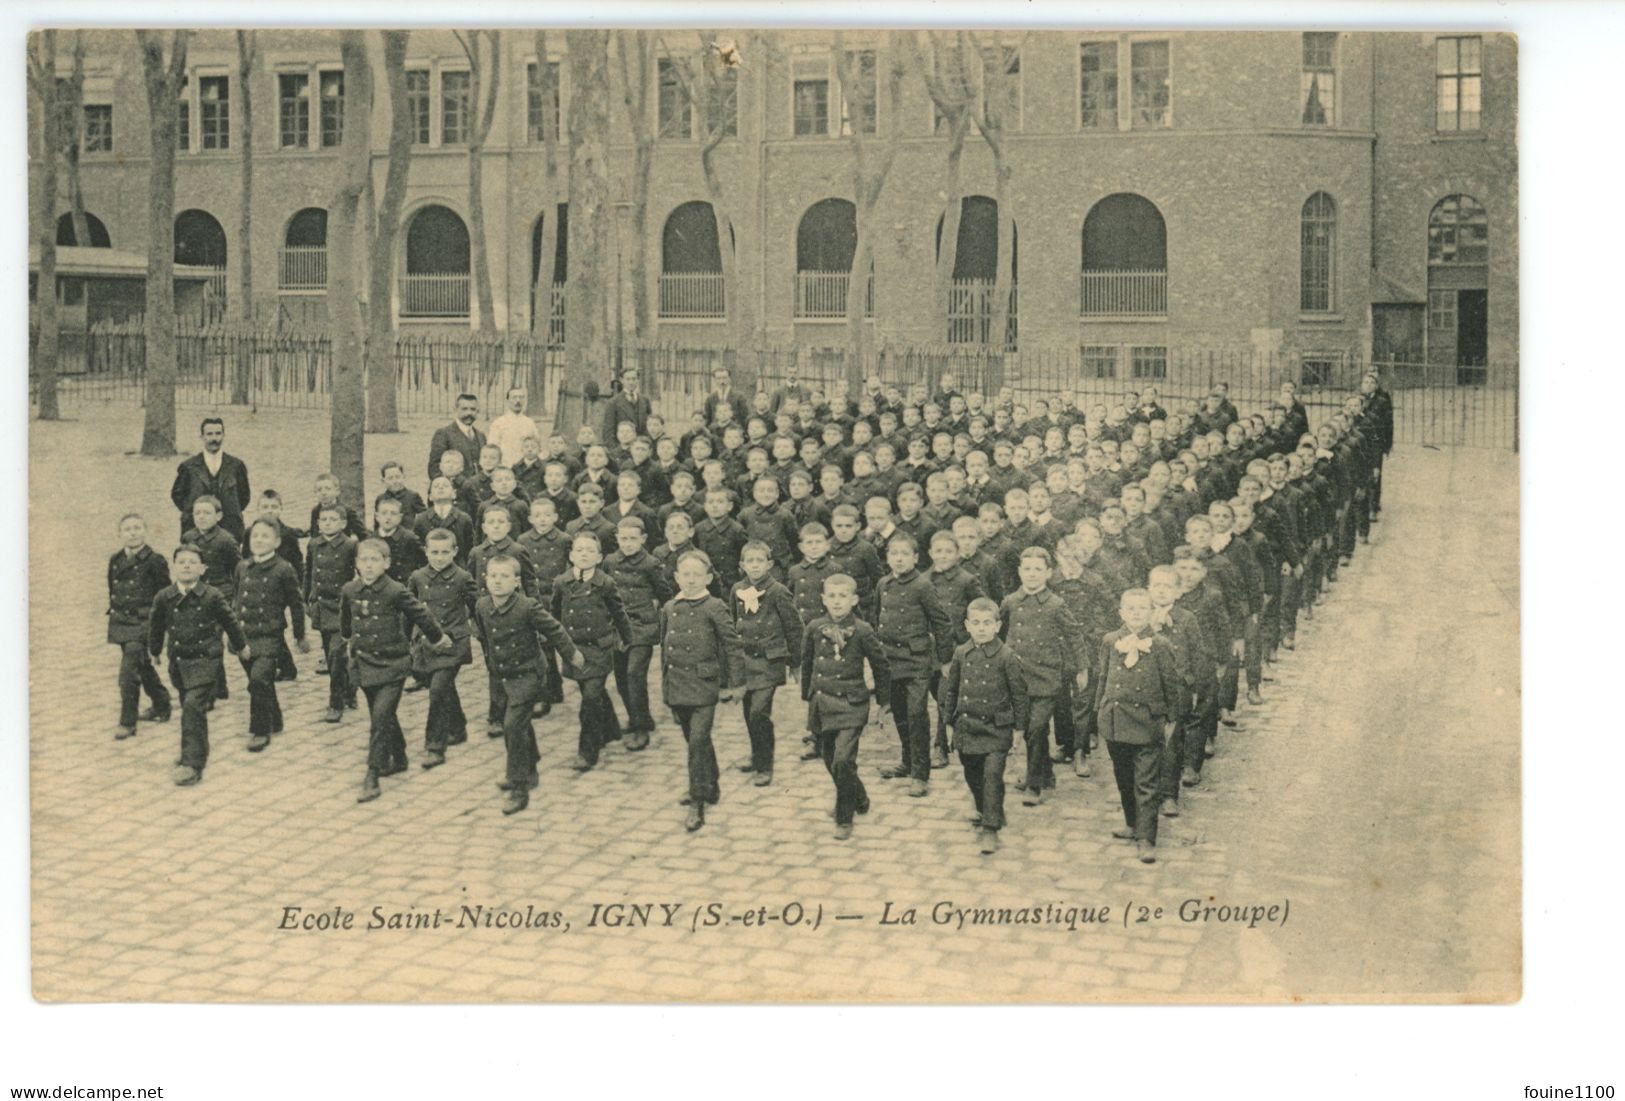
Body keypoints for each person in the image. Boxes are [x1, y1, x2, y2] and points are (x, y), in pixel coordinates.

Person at [342, 539, 451, 803]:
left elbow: (420, 614)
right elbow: (346, 622)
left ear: (386, 563)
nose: (368, 566)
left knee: (380, 718)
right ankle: (399, 756)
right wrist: (348, 644)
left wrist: (438, 638)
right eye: (363, 560)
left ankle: (372, 774)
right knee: (384, 715)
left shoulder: (395, 590)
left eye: (374, 560)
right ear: (356, 564)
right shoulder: (349, 590)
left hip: (393, 665)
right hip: (365, 663)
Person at [473, 554, 582, 815]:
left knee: (512, 724)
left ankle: (519, 786)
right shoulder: (481, 606)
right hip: (503, 675)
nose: (498, 582)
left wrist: (573, 654)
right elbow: (486, 639)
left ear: (517, 581)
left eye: (505, 576)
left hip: (529, 674)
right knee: (519, 723)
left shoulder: (527, 606)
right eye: (493, 576)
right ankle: (530, 765)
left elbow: (554, 630)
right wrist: (492, 667)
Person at [656, 550, 745, 831]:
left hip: (704, 686)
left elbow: (732, 646)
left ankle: (697, 801)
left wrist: (737, 683)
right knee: (696, 741)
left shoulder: (714, 607)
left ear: (707, 578)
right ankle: (711, 784)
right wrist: (666, 691)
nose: (691, 580)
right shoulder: (669, 608)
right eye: (686, 575)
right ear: (676, 577)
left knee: (697, 742)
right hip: (678, 687)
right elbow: (664, 654)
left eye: (697, 575)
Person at [1094, 588, 1185, 864]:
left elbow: (1171, 685)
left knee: (1146, 782)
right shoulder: (1110, 641)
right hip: (1116, 720)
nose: (1136, 613)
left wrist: (1171, 719)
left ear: (1151, 613)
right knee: (1124, 778)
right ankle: (1131, 824)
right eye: (1130, 608)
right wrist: (1099, 710)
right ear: (1121, 612)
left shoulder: (1161, 645)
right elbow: (1103, 676)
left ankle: (1147, 838)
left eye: (1142, 608)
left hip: (1147, 722)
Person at [147, 544, 248, 787]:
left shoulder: (212, 595)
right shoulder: (164, 596)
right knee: (190, 708)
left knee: (192, 705)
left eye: (193, 562)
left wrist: (241, 645)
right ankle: (192, 751)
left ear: (202, 569)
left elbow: (230, 622)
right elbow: (156, 625)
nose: (187, 566)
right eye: (181, 562)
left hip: (206, 659)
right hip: (179, 661)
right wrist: (155, 650)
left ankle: (192, 764)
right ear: (173, 567)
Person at [800, 573, 890, 840]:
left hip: (852, 703)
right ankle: (859, 796)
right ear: (824, 599)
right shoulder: (815, 627)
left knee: (843, 759)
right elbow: (808, 663)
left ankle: (844, 816)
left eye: (843, 596)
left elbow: (881, 666)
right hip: (823, 702)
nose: (837, 602)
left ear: (854, 600)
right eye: (832, 596)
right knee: (830, 759)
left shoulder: (862, 630)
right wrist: (808, 695)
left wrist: (884, 702)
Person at [941, 597, 1030, 855]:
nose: (981, 628)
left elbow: (1019, 695)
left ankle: (990, 828)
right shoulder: (961, 653)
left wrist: (1019, 729)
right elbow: (952, 690)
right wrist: (948, 723)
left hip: (996, 728)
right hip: (967, 727)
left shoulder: (1007, 656)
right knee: (972, 773)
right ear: (967, 625)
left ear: (998, 625)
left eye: (987, 623)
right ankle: (987, 808)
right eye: (976, 623)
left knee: (992, 775)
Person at [874, 533, 954, 798]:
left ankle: (921, 774)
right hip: (890, 661)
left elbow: (941, 623)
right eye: (894, 553)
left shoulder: (923, 585)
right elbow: (877, 619)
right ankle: (907, 762)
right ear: (887, 558)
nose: (898, 559)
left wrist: (944, 660)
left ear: (916, 558)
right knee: (898, 712)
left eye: (905, 554)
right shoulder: (883, 584)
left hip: (917, 661)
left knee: (917, 714)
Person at [1000, 546, 1077, 807]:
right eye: (1027, 569)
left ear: (1048, 573)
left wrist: (1082, 669)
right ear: (1020, 572)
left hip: (1046, 678)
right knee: (1035, 730)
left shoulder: (1056, 604)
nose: (1032, 575)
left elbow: (1074, 635)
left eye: (1038, 570)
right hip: (1019, 679)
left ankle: (1034, 783)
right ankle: (1046, 773)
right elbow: (1000, 636)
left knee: (1035, 728)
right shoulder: (1010, 602)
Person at [552, 532, 633, 771]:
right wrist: (557, 642)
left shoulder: (605, 583)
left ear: (598, 558)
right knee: (590, 691)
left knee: (589, 697)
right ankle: (610, 729)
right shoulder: (561, 583)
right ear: (571, 555)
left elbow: (619, 613)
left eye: (590, 551)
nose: (584, 555)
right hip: (573, 648)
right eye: (579, 550)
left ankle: (587, 752)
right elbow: (554, 614)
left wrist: (627, 639)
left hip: (599, 648)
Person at [730, 541, 803, 787]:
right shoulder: (737, 589)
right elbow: (732, 624)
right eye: (749, 561)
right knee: (749, 712)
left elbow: (793, 627)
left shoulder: (778, 591)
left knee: (759, 712)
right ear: (742, 565)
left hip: (769, 661)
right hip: (745, 660)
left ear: (769, 564)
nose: (755, 565)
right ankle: (755, 755)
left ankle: (766, 765)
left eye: (759, 561)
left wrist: (795, 662)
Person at [233, 519, 309, 752]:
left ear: (276, 541)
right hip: (246, 637)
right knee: (259, 682)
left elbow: (296, 605)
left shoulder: (283, 569)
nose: (259, 540)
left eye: (265, 536)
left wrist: (299, 635)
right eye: (255, 536)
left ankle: (260, 730)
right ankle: (275, 718)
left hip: (269, 637)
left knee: (258, 680)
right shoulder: (242, 567)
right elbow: (236, 602)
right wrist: (233, 635)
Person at [408, 529, 479, 770]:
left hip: (453, 644)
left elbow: (477, 607)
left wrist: (482, 633)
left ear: (455, 552)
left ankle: (435, 747)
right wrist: (407, 641)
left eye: (445, 552)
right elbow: (410, 610)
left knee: (438, 689)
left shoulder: (462, 577)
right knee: (442, 685)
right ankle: (457, 728)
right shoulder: (417, 577)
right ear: (426, 552)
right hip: (426, 643)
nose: (439, 557)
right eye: (434, 552)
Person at [603, 516, 671, 751]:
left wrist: (665, 619)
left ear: (643, 539)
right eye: (624, 538)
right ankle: (636, 717)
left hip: (642, 627)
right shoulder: (610, 561)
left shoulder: (651, 564)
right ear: (617, 539)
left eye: (633, 538)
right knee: (621, 677)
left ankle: (642, 729)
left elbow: (664, 594)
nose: (628, 543)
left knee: (634, 675)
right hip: (617, 627)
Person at [107, 513, 173, 740]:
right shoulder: (115, 560)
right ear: (120, 534)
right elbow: (112, 590)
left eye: (137, 528)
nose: (133, 532)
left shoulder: (155, 561)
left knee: (128, 673)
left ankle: (127, 721)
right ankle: (162, 704)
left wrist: (162, 629)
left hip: (144, 623)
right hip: (122, 622)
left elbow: (166, 595)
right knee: (142, 666)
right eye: (127, 529)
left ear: (145, 531)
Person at [926, 529, 984, 770]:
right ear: (930, 553)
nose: (943, 556)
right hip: (928, 648)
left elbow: (981, 607)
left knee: (943, 696)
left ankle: (941, 746)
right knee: (934, 692)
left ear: (958, 553)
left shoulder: (966, 580)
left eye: (949, 551)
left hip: (956, 647)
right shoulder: (923, 579)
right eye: (938, 551)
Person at [182, 496, 243, 703]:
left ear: (219, 516)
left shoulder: (226, 540)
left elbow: (238, 571)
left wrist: (235, 599)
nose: (201, 517)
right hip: (197, 595)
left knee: (211, 641)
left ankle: (208, 692)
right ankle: (219, 687)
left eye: (207, 513)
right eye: (197, 513)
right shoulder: (188, 537)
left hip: (220, 595)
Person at [305, 503, 358, 721]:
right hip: (321, 605)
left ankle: (335, 703)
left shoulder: (350, 545)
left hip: (341, 606)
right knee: (330, 654)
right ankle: (349, 688)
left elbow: (359, 573)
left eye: (333, 520)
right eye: (323, 520)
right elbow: (308, 572)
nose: (327, 524)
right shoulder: (313, 544)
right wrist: (307, 597)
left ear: (343, 523)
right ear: (318, 524)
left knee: (337, 654)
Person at [171, 417, 251, 540]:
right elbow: (177, 496)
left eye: (218, 434)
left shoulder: (236, 465)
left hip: (229, 529)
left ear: (224, 435)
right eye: (209, 434)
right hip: (195, 529)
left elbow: (244, 497)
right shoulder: (188, 467)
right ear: (202, 437)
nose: (214, 439)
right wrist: (196, 512)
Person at [427, 393, 486, 482]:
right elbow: (434, 468)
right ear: (455, 410)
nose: (469, 413)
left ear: (477, 411)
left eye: (473, 409)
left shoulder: (481, 436)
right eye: (464, 409)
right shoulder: (443, 434)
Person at [488, 387, 540, 468]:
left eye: (521, 397)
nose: (518, 401)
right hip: (506, 468)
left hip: (526, 469)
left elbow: (537, 447)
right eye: (514, 397)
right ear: (507, 400)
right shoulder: (498, 423)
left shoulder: (530, 423)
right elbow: (492, 449)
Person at [603, 367, 654, 442]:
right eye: (628, 379)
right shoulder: (613, 402)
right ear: (622, 380)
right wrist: (616, 451)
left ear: (638, 380)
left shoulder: (645, 400)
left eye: (634, 379)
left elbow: (649, 426)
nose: (631, 382)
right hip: (622, 447)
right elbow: (608, 432)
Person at [374, 461, 426, 531]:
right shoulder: (380, 499)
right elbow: (377, 524)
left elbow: (424, 518)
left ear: (403, 477)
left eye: (397, 477)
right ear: (383, 481)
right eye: (390, 478)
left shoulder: (412, 496)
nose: (395, 481)